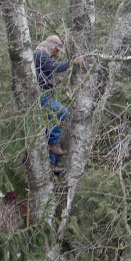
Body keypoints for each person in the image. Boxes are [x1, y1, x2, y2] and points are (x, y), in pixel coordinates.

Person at [33, 35, 83, 175]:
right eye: (56, 50)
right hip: (41, 95)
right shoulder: (40, 54)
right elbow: (54, 67)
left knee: (49, 127)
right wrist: (73, 62)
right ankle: (53, 144)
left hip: (45, 94)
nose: (56, 53)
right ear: (52, 47)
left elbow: (48, 71)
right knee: (61, 112)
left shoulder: (42, 55)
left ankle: (52, 164)